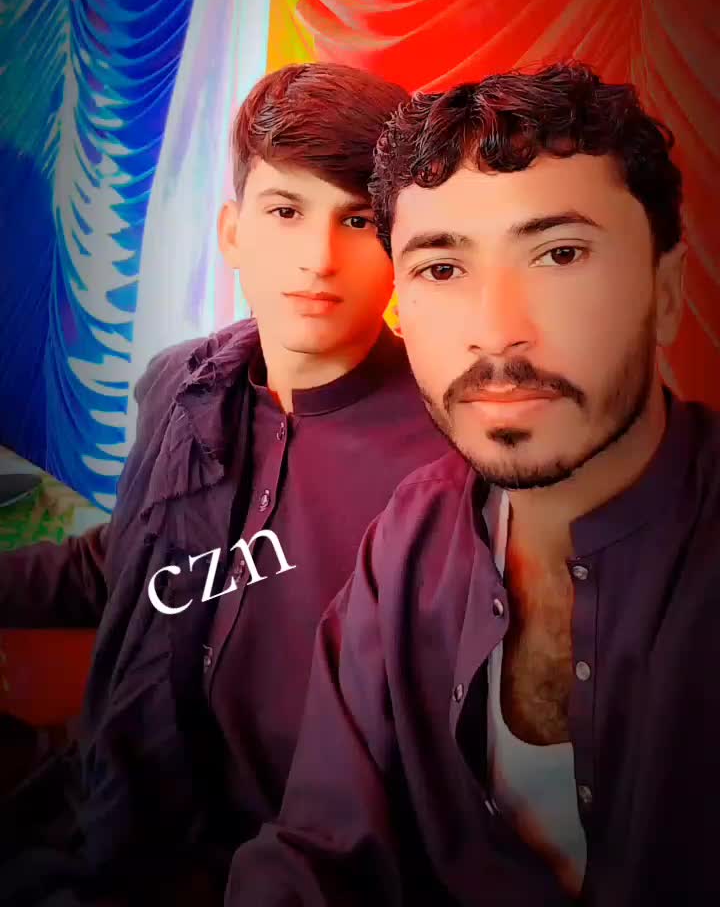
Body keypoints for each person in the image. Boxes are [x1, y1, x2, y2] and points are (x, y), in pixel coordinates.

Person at [227, 63, 720, 907]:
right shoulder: (409, 540)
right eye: (443, 269)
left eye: (560, 255)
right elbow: (316, 849)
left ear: (665, 292)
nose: (497, 334)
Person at [0, 63, 446, 906]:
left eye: (358, 219)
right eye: (286, 211)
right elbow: (134, 565)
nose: (317, 258)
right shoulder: (181, 387)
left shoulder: (444, 471)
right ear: (233, 232)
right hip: (108, 808)